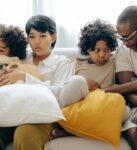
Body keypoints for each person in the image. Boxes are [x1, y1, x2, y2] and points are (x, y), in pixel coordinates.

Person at [0, 15, 89, 150]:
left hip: (41, 117)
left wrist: (26, 78)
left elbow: (60, 96)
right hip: (13, 112)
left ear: (53, 37)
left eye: (42, 36)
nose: (36, 42)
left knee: (25, 134)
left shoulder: (62, 63)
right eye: (32, 37)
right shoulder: (20, 58)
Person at [50, 19, 131, 139]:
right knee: (77, 81)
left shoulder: (114, 61)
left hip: (102, 105)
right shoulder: (76, 65)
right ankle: (61, 122)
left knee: (127, 112)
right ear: (87, 49)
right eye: (96, 50)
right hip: (81, 107)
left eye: (107, 50)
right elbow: (66, 89)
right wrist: (86, 83)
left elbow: (124, 49)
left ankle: (72, 131)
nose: (102, 55)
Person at [108, 5, 137, 150]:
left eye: (127, 38)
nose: (124, 43)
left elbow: (125, 87)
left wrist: (116, 89)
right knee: (134, 129)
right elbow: (128, 89)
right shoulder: (124, 50)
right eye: (121, 38)